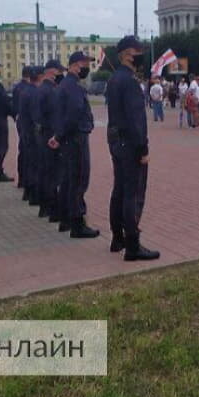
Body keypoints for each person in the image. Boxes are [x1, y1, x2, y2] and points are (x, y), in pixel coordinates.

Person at [106, 36, 159, 260]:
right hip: (130, 143)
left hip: (117, 141)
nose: (141, 56)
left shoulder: (114, 79)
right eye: (139, 52)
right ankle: (132, 245)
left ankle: (117, 237)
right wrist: (143, 149)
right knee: (132, 193)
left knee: (119, 190)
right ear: (128, 54)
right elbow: (136, 120)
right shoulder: (129, 81)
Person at [49, 51, 100, 237]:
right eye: (85, 63)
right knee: (79, 180)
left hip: (69, 138)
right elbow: (73, 115)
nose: (87, 67)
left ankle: (66, 220)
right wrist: (60, 136)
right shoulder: (73, 87)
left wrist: (58, 137)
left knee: (69, 180)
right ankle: (77, 223)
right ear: (75, 65)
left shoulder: (66, 85)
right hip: (76, 138)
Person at [32, 59, 62, 221]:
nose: (60, 75)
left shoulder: (38, 89)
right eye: (59, 71)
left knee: (44, 171)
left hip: (40, 133)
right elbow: (54, 115)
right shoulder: (50, 91)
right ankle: (53, 209)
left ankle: (44, 207)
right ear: (51, 71)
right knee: (53, 173)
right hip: (50, 134)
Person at [18, 67, 41, 203]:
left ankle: (28, 191)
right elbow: (36, 116)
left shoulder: (25, 91)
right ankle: (33, 194)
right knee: (35, 164)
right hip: (33, 133)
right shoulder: (35, 93)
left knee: (28, 162)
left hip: (25, 130)